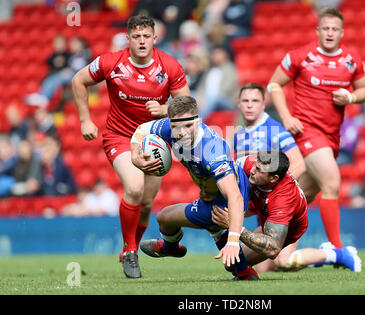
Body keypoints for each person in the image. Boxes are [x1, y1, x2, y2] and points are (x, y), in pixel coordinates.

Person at [71, 15, 190, 278]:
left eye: (146, 36)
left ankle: (131, 246)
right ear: (128, 39)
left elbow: (188, 106)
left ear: (155, 38)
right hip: (120, 136)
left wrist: (165, 109)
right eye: (136, 37)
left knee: (147, 203)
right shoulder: (111, 62)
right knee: (134, 189)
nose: (142, 41)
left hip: (155, 139)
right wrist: (85, 120)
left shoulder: (170, 66)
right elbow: (79, 80)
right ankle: (130, 251)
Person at [267, 8, 365, 249]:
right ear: (318, 30)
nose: (330, 33)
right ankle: (338, 249)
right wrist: (286, 116)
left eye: (335, 29)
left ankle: (273, 242)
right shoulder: (301, 55)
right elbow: (274, 84)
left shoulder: (351, 60)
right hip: (307, 132)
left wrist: (351, 97)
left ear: (342, 32)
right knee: (332, 181)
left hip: (332, 136)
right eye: (326, 28)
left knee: (302, 194)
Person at [130, 96, 257, 280]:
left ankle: (170, 247)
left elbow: (234, 197)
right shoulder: (171, 127)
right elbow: (142, 129)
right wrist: (135, 155)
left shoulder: (211, 150)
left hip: (230, 196)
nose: (181, 133)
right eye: (175, 126)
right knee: (177, 219)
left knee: (165, 217)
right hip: (215, 190)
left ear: (198, 121)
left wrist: (233, 240)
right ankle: (245, 272)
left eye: (188, 126)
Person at [211, 150, 362, 273]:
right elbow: (227, 170)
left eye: (259, 170)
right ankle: (314, 261)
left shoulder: (283, 199)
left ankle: (335, 254)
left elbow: (273, 248)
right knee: (238, 266)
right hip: (266, 217)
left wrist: (236, 227)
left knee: (284, 261)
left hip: (288, 229)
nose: (252, 170)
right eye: (255, 165)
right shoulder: (253, 164)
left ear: (273, 178)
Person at [233, 83, 305, 272]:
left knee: (284, 261)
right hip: (258, 205)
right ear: (238, 104)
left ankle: (331, 255)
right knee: (251, 265)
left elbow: (298, 164)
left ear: (263, 104)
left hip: (274, 206)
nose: (249, 105)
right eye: (245, 101)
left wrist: (272, 194)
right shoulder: (239, 134)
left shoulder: (274, 130)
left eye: (255, 101)